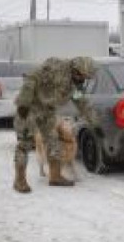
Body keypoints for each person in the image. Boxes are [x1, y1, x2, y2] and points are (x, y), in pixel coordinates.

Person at [12, 56, 100, 193]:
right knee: (25, 143)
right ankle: (19, 180)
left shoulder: (74, 84)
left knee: (53, 141)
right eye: (84, 76)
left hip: (47, 110)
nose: (84, 80)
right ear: (77, 70)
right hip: (30, 107)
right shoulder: (55, 67)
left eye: (86, 78)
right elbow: (31, 77)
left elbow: (82, 103)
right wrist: (24, 102)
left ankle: (55, 176)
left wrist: (95, 123)